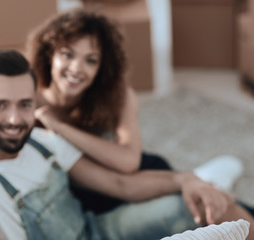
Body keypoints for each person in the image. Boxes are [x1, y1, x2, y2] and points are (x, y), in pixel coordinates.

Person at [0, 49, 254, 240]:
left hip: (99, 229)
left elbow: (118, 183)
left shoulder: (41, 140)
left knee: (204, 202)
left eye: (25, 104)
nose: (15, 119)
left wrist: (185, 179)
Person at [26, 8, 244, 213]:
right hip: (85, 192)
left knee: (214, 206)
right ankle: (207, 176)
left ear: (102, 67)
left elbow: (128, 162)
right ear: (49, 54)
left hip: (135, 177)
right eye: (67, 54)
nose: (76, 68)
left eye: (90, 60)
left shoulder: (116, 95)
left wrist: (60, 128)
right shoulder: (26, 97)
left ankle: (208, 179)